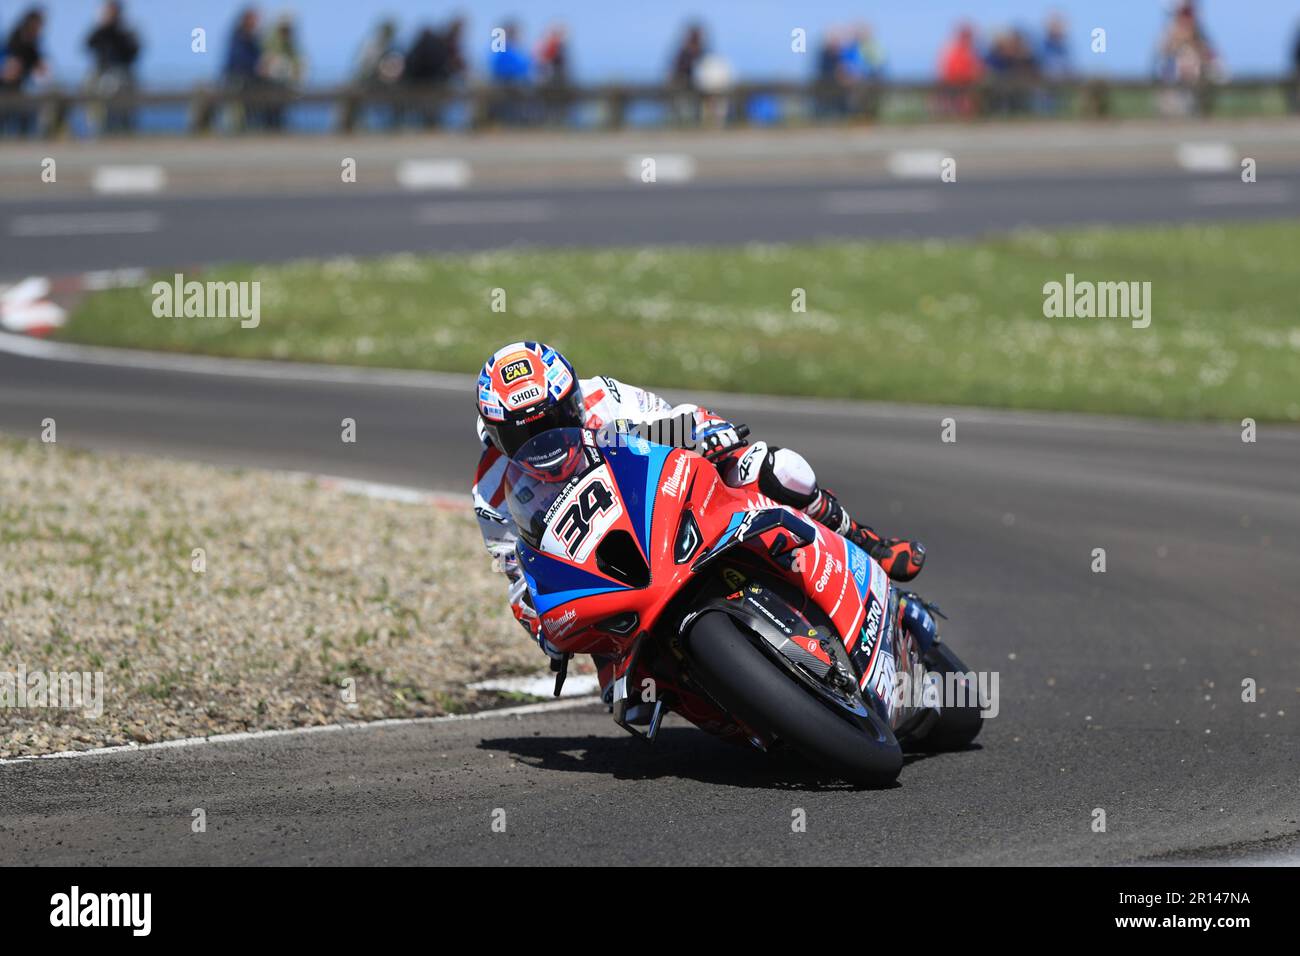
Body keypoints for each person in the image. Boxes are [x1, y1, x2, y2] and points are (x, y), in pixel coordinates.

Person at [471, 342, 927, 670]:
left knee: (774, 467)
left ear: (571, 401)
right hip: (605, 576)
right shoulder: (490, 489)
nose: (543, 442)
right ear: (492, 434)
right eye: (523, 435)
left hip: (658, 508)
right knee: (619, 686)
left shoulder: (600, 399)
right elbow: (517, 576)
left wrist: (710, 433)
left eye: (554, 420)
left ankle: (865, 543)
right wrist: (542, 628)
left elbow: (674, 420)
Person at [85, 1, 141, 133]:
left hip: (122, 75)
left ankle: (125, 129)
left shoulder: (126, 31)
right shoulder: (100, 31)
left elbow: (133, 52)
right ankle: (98, 129)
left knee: (116, 92)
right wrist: (103, 27)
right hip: (100, 74)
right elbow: (89, 44)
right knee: (93, 89)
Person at [1, 6, 48, 135]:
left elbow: (38, 64)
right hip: (6, 86)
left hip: (22, 86)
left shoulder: (33, 43)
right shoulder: (14, 37)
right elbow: (9, 65)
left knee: (26, 114)